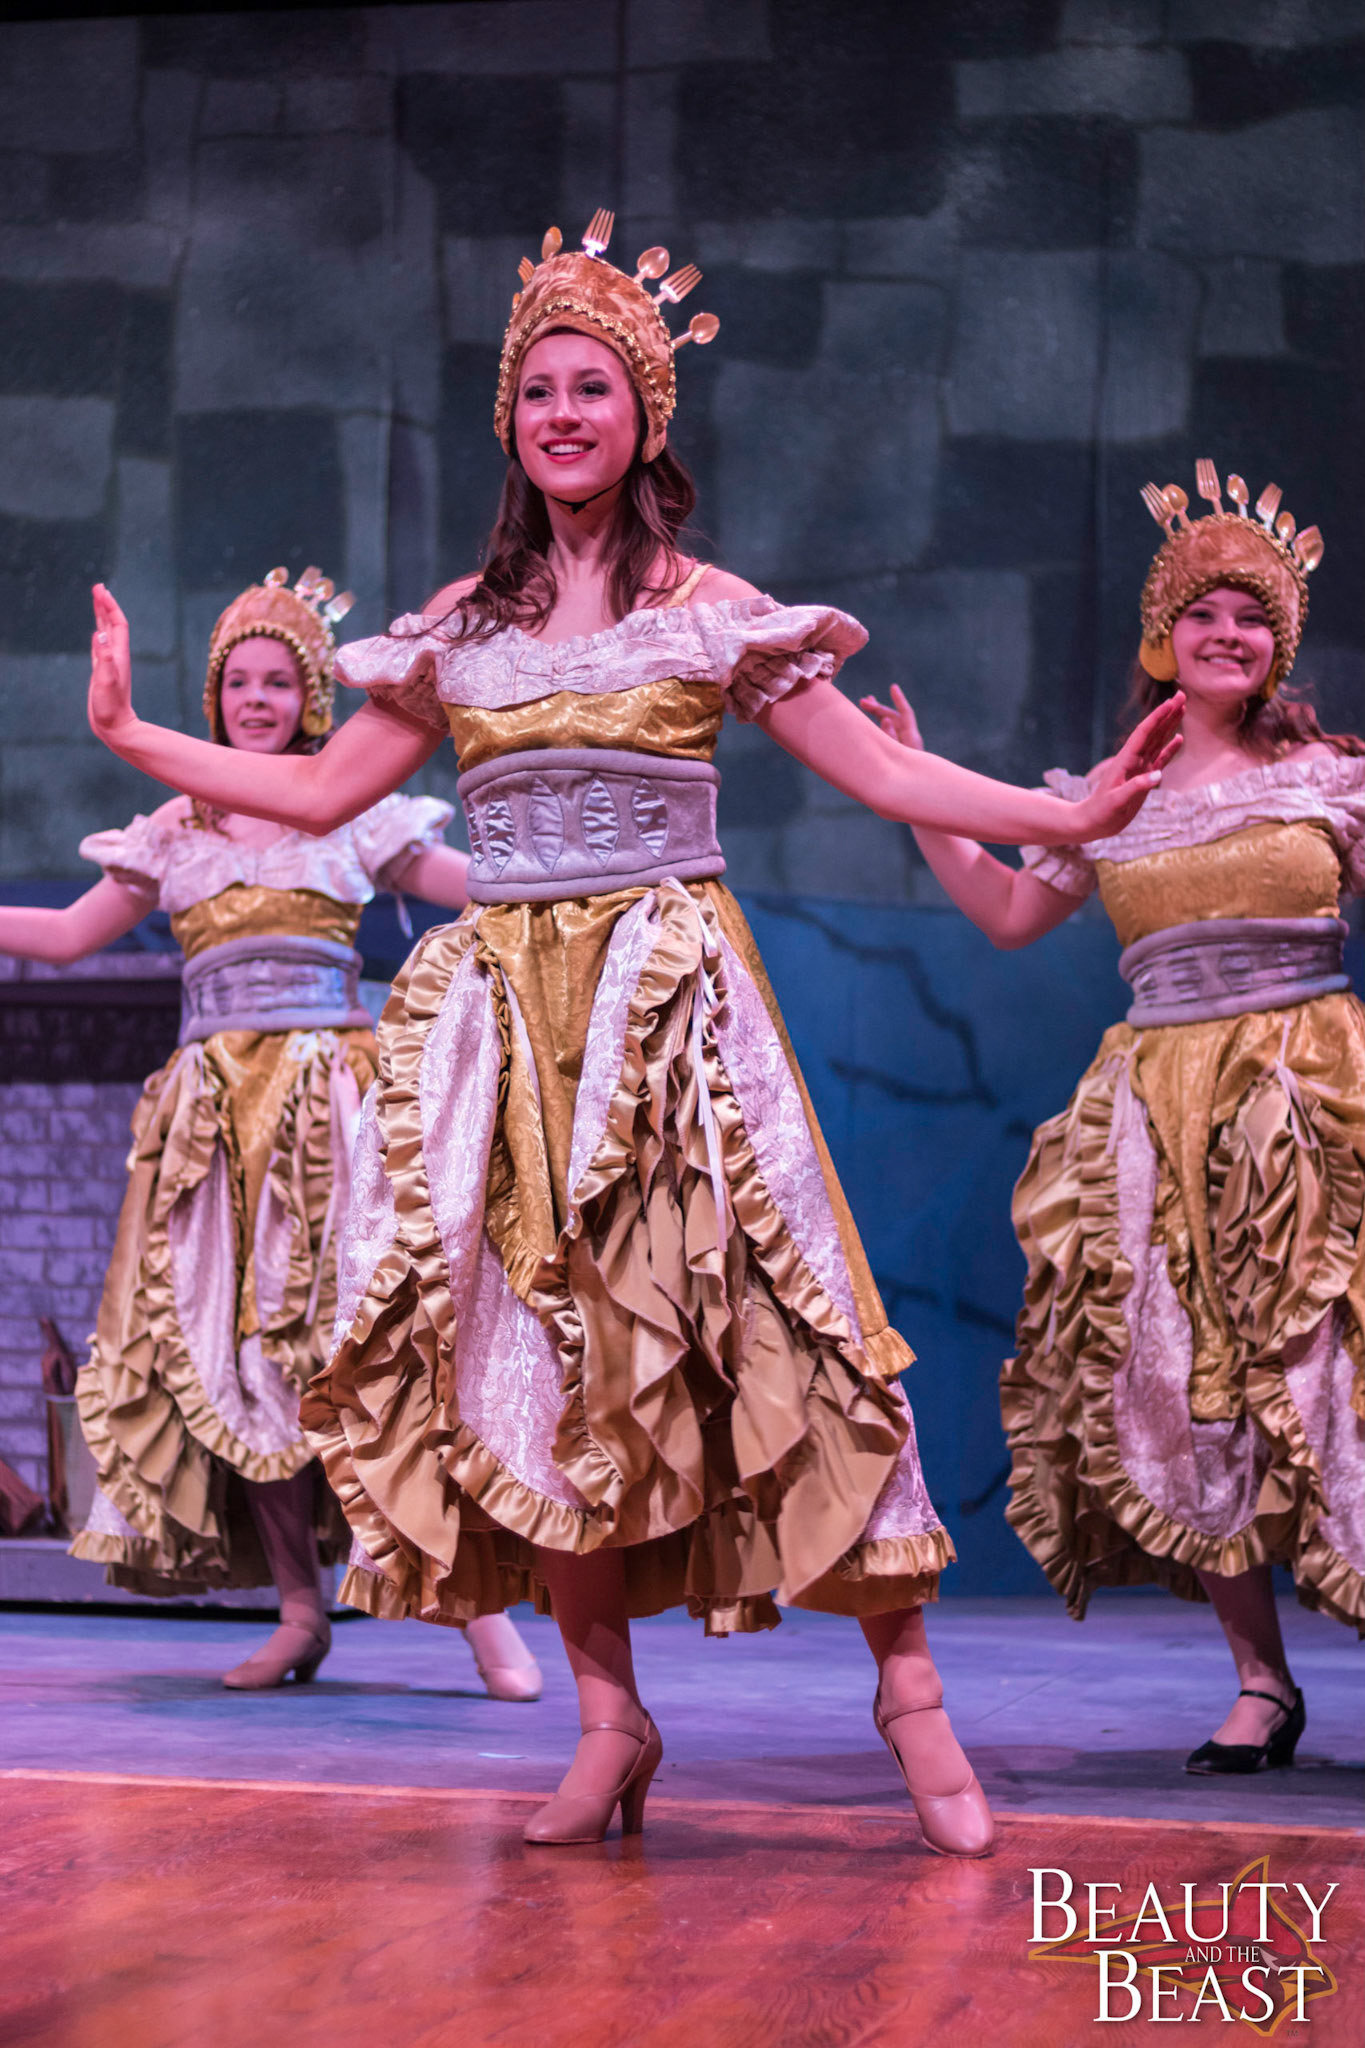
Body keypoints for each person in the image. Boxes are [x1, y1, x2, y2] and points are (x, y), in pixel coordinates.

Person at [83, 214, 1177, 1849]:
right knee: (533, 1363)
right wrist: (129, 732)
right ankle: (609, 1724)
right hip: (508, 1036)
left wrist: (1064, 812)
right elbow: (313, 793)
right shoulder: (460, 629)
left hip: (670, 1020)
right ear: (510, 421)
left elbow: (886, 775)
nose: (563, 414)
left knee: (784, 1328)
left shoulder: (706, 610)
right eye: (538, 391)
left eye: (592, 387)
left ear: (644, 416)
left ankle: (909, 1701)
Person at [861, 462, 1363, 1774]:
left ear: (1278, 644)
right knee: (1192, 1382)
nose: (1227, 634)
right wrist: (917, 788)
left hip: (1311, 1099)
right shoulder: (1111, 792)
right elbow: (1009, 914)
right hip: (1159, 1115)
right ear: (1162, 633)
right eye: (1204, 613)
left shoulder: (1329, 777)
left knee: (1333, 1367)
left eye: (1251, 618)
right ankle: (1260, 1681)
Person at [3, 567, 540, 1701]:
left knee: (372, 1351)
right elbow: (61, 935)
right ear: (213, 696)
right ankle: (301, 1608)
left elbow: (477, 886)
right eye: (238, 681)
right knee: (240, 1360)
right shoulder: (174, 829)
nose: (256, 698)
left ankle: (475, 1606)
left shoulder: (356, 811)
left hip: (331, 1115)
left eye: (278, 681)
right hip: (213, 1131)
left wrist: (568, 851)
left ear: (311, 698)